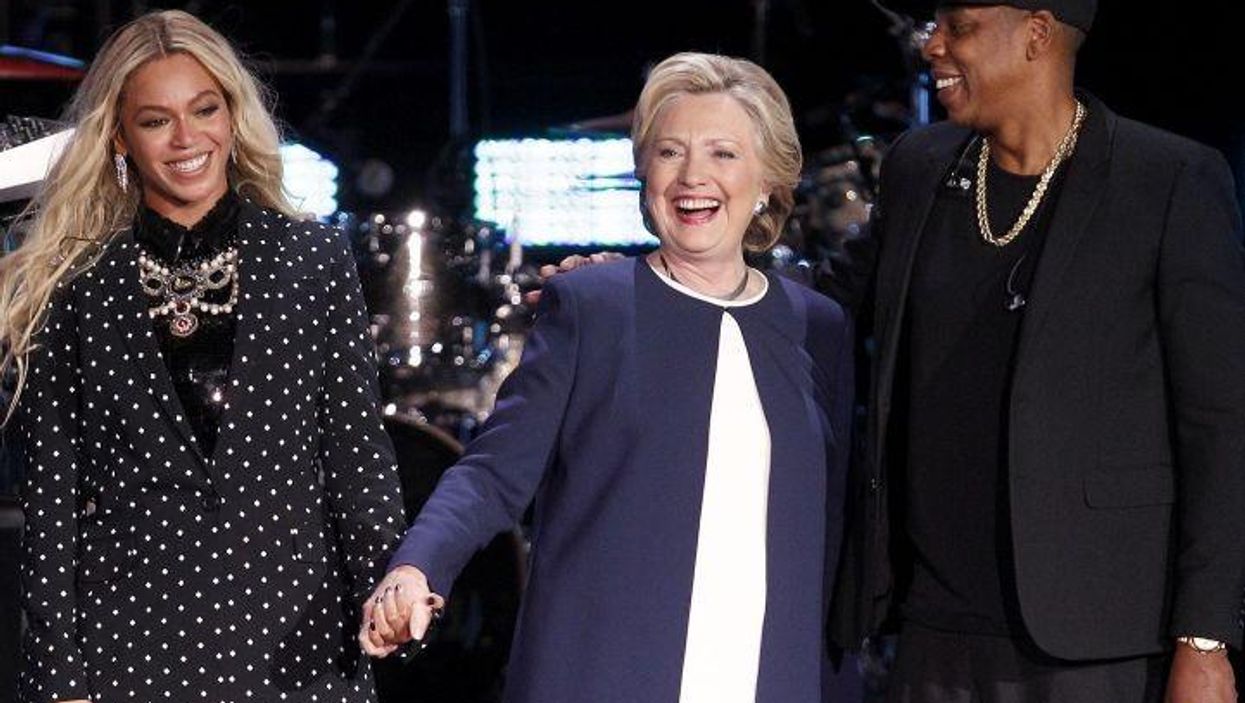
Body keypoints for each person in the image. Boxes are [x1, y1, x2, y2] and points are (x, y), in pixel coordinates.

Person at [358, 52, 854, 703]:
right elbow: (493, 472)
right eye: (670, 152)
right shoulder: (592, 305)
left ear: (767, 180)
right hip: (605, 673)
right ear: (644, 173)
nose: (692, 176)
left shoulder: (816, 325)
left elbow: (836, 521)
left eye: (723, 153)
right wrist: (417, 565)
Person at [820, 1, 1245, 702]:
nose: (932, 46)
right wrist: (674, 280)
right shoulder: (919, 167)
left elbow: (1220, 425)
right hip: (930, 633)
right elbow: (823, 308)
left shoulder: (1165, 180)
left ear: (1036, 35)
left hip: (1099, 646)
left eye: (959, 27)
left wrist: (1203, 639)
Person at [0, 11, 405, 703]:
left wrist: (390, 590)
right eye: (156, 120)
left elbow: (357, 456)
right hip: (131, 646)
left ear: (233, 115)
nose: (187, 138)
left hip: (298, 645)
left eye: (204, 109)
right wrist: (58, 675)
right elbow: (51, 497)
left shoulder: (313, 259)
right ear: (119, 136)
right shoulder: (72, 283)